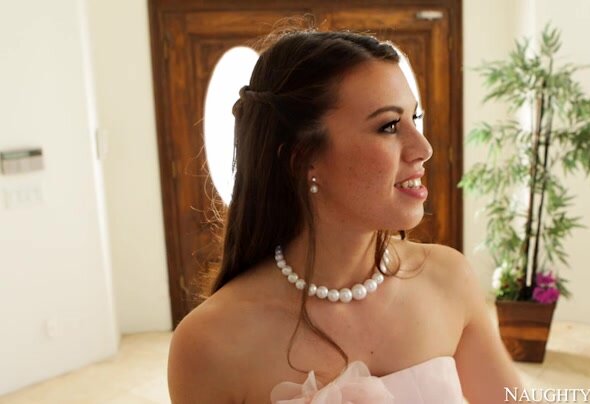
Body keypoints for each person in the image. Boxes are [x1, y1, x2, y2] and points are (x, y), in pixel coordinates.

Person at [167, 28, 523, 404]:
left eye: (414, 119)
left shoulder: (448, 279)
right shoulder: (210, 344)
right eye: (389, 126)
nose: (423, 148)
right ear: (302, 159)